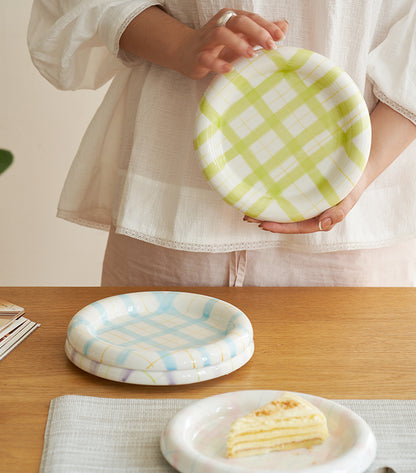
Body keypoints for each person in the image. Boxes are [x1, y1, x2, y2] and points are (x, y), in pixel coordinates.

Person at [27, 1, 416, 286]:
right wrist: (181, 44)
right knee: (142, 393)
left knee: (345, 392)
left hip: (351, 237)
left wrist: (360, 171)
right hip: (172, 215)